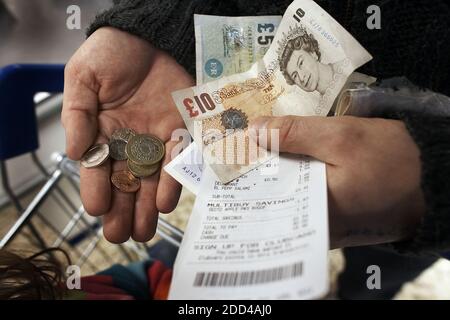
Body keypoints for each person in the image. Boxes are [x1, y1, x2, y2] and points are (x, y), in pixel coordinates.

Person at [61, 0, 450, 299]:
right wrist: (161, 19)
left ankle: (357, 291)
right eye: (296, 72)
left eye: (300, 70)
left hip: (413, 200)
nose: (299, 76)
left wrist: (433, 176)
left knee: (382, 265)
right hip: (305, 167)